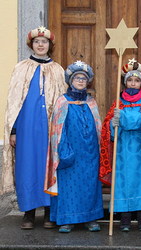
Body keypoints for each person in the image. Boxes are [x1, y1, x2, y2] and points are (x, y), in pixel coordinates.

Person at [1, 26, 67, 229]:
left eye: (44, 42)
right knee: (27, 166)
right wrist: (13, 130)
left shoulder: (57, 70)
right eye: (37, 41)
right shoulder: (21, 68)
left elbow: (63, 101)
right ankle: (28, 213)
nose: (40, 45)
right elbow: (14, 102)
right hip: (26, 128)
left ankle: (49, 213)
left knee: (48, 166)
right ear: (31, 45)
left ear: (50, 45)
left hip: (50, 128)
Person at [99, 59, 141, 231]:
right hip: (122, 150)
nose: (133, 83)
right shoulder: (118, 101)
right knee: (123, 183)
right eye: (130, 80)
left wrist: (123, 118)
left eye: (137, 80)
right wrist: (112, 125)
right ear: (125, 82)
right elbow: (109, 131)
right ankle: (125, 220)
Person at [44, 60, 104, 233]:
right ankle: (66, 219)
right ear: (70, 80)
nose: (80, 81)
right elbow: (57, 129)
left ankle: (90, 218)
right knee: (68, 185)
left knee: (90, 185)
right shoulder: (62, 101)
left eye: (83, 79)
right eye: (77, 78)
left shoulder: (91, 102)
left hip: (90, 153)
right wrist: (62, 149)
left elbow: (98, 126)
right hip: (69, 151)